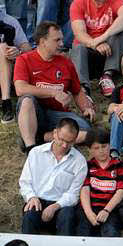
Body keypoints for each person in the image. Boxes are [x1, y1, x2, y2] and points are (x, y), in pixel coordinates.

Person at [14, 20, 94, 152]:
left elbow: (77, 91)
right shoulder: (24, 59)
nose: (61, 44)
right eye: (57, 40)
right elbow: (20, 88)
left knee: (86, 132)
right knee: (27, 100)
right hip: (34, 111)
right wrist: (53, 92)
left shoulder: (66, 63)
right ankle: (30, 149)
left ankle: (42, 138)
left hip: (58, 114)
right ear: (42, 41)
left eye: (61, 40)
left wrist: (86, 108)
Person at [69, 0, 123, 97]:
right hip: (88, 55)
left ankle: (107, 76)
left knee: (121, 31)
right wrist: (95, 43)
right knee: (78, 46)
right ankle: (83, 89)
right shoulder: (78, 3)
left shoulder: (116, 1)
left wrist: (103, 37)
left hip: (110, 53)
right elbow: (79, 33)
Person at [18, 118, 87, 235]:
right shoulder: (36, 153)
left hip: (61, 205)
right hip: (37, 200)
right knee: (30, 213)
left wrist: (55, 206)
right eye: (62, 139)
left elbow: (73, 194)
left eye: (70, 142)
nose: (65, 145)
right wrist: (31, 197)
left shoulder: (79, 161)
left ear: (75, 140)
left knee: (68, 216)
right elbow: (25, 181)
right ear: (55, 133)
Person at [77, 128, 123, 237]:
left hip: (110, 208)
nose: (101, 151)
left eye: (104, 146)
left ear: (110, 145)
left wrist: (106, 210)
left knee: (111, 233)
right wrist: (89, 213)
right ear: (90, 150)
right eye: (96, 148)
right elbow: (84, 189)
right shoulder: (87, 166)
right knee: (82, 235)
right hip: (89, 208)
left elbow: (121, 191)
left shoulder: (119, 166)